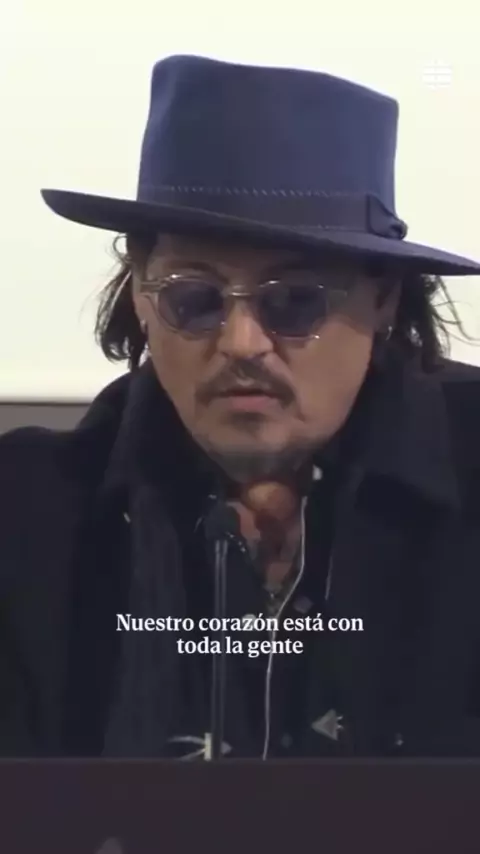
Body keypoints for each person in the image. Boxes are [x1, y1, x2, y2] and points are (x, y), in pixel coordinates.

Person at [2, 54, 480, 760]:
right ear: (140, 294)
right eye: (193, 299)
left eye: (295, 301)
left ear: (383, 297)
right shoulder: (24, 517)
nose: (241, 343)